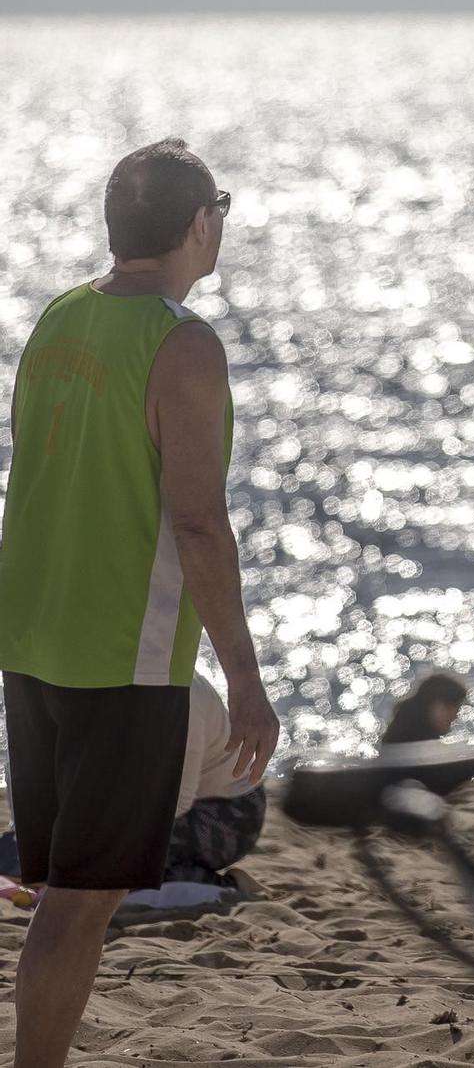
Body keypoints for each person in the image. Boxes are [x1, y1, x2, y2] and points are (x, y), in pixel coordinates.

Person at [0, 137, 281, 1068]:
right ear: (200, 224)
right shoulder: (183, 342)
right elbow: (199, 524)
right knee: (78, 902)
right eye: (222, 210)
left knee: (64, 894)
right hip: (121, 653)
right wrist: (245, 679)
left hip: (34, 634)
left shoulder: (59, 317)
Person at [1, 672, 266, 890]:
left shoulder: (181, 693)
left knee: (101, 878)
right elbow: (29, 769)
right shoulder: (75, 680)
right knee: (24, 857)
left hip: (223, 813)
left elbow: (174, 803)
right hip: (130, 806)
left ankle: (230, 887)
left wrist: (95, 836)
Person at [163, 672, 268, 885]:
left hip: (229, 812)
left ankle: (231, 887)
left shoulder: (183, 694)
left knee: (118, 863)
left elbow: (179, 800)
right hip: (180, 803)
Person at [381, 670, 470, 746]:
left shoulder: (406, 730)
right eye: (449, 708)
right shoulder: (410, 742)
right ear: (430, 704)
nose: (454, 717)